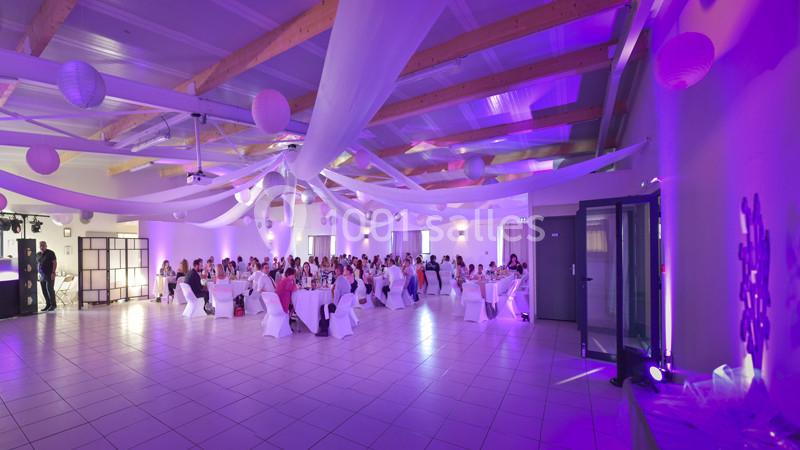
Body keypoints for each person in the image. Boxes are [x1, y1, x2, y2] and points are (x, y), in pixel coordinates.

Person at [316, 264, 348, 337]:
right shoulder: (345, 279)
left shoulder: (339, 281)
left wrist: (332, 301)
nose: (334, 271)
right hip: (345, 306)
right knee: (326, 306)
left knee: (322, 308)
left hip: (339, 307)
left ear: (338, 271)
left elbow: (336, 298)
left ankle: (324, 330)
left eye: (335, 269)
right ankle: (324, 328)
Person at [36, 241, 57, 312]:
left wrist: (53, 273)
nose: (42, 247)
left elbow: (54, 263)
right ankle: (48, 304)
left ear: (46, 246)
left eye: (43, 245)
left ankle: (53, 305)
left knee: (50, 290)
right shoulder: (38, 254)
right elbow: (37, 264)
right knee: (44, 291)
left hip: (49, 275)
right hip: (42, 276)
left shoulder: (50, 253)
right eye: (40, 245)